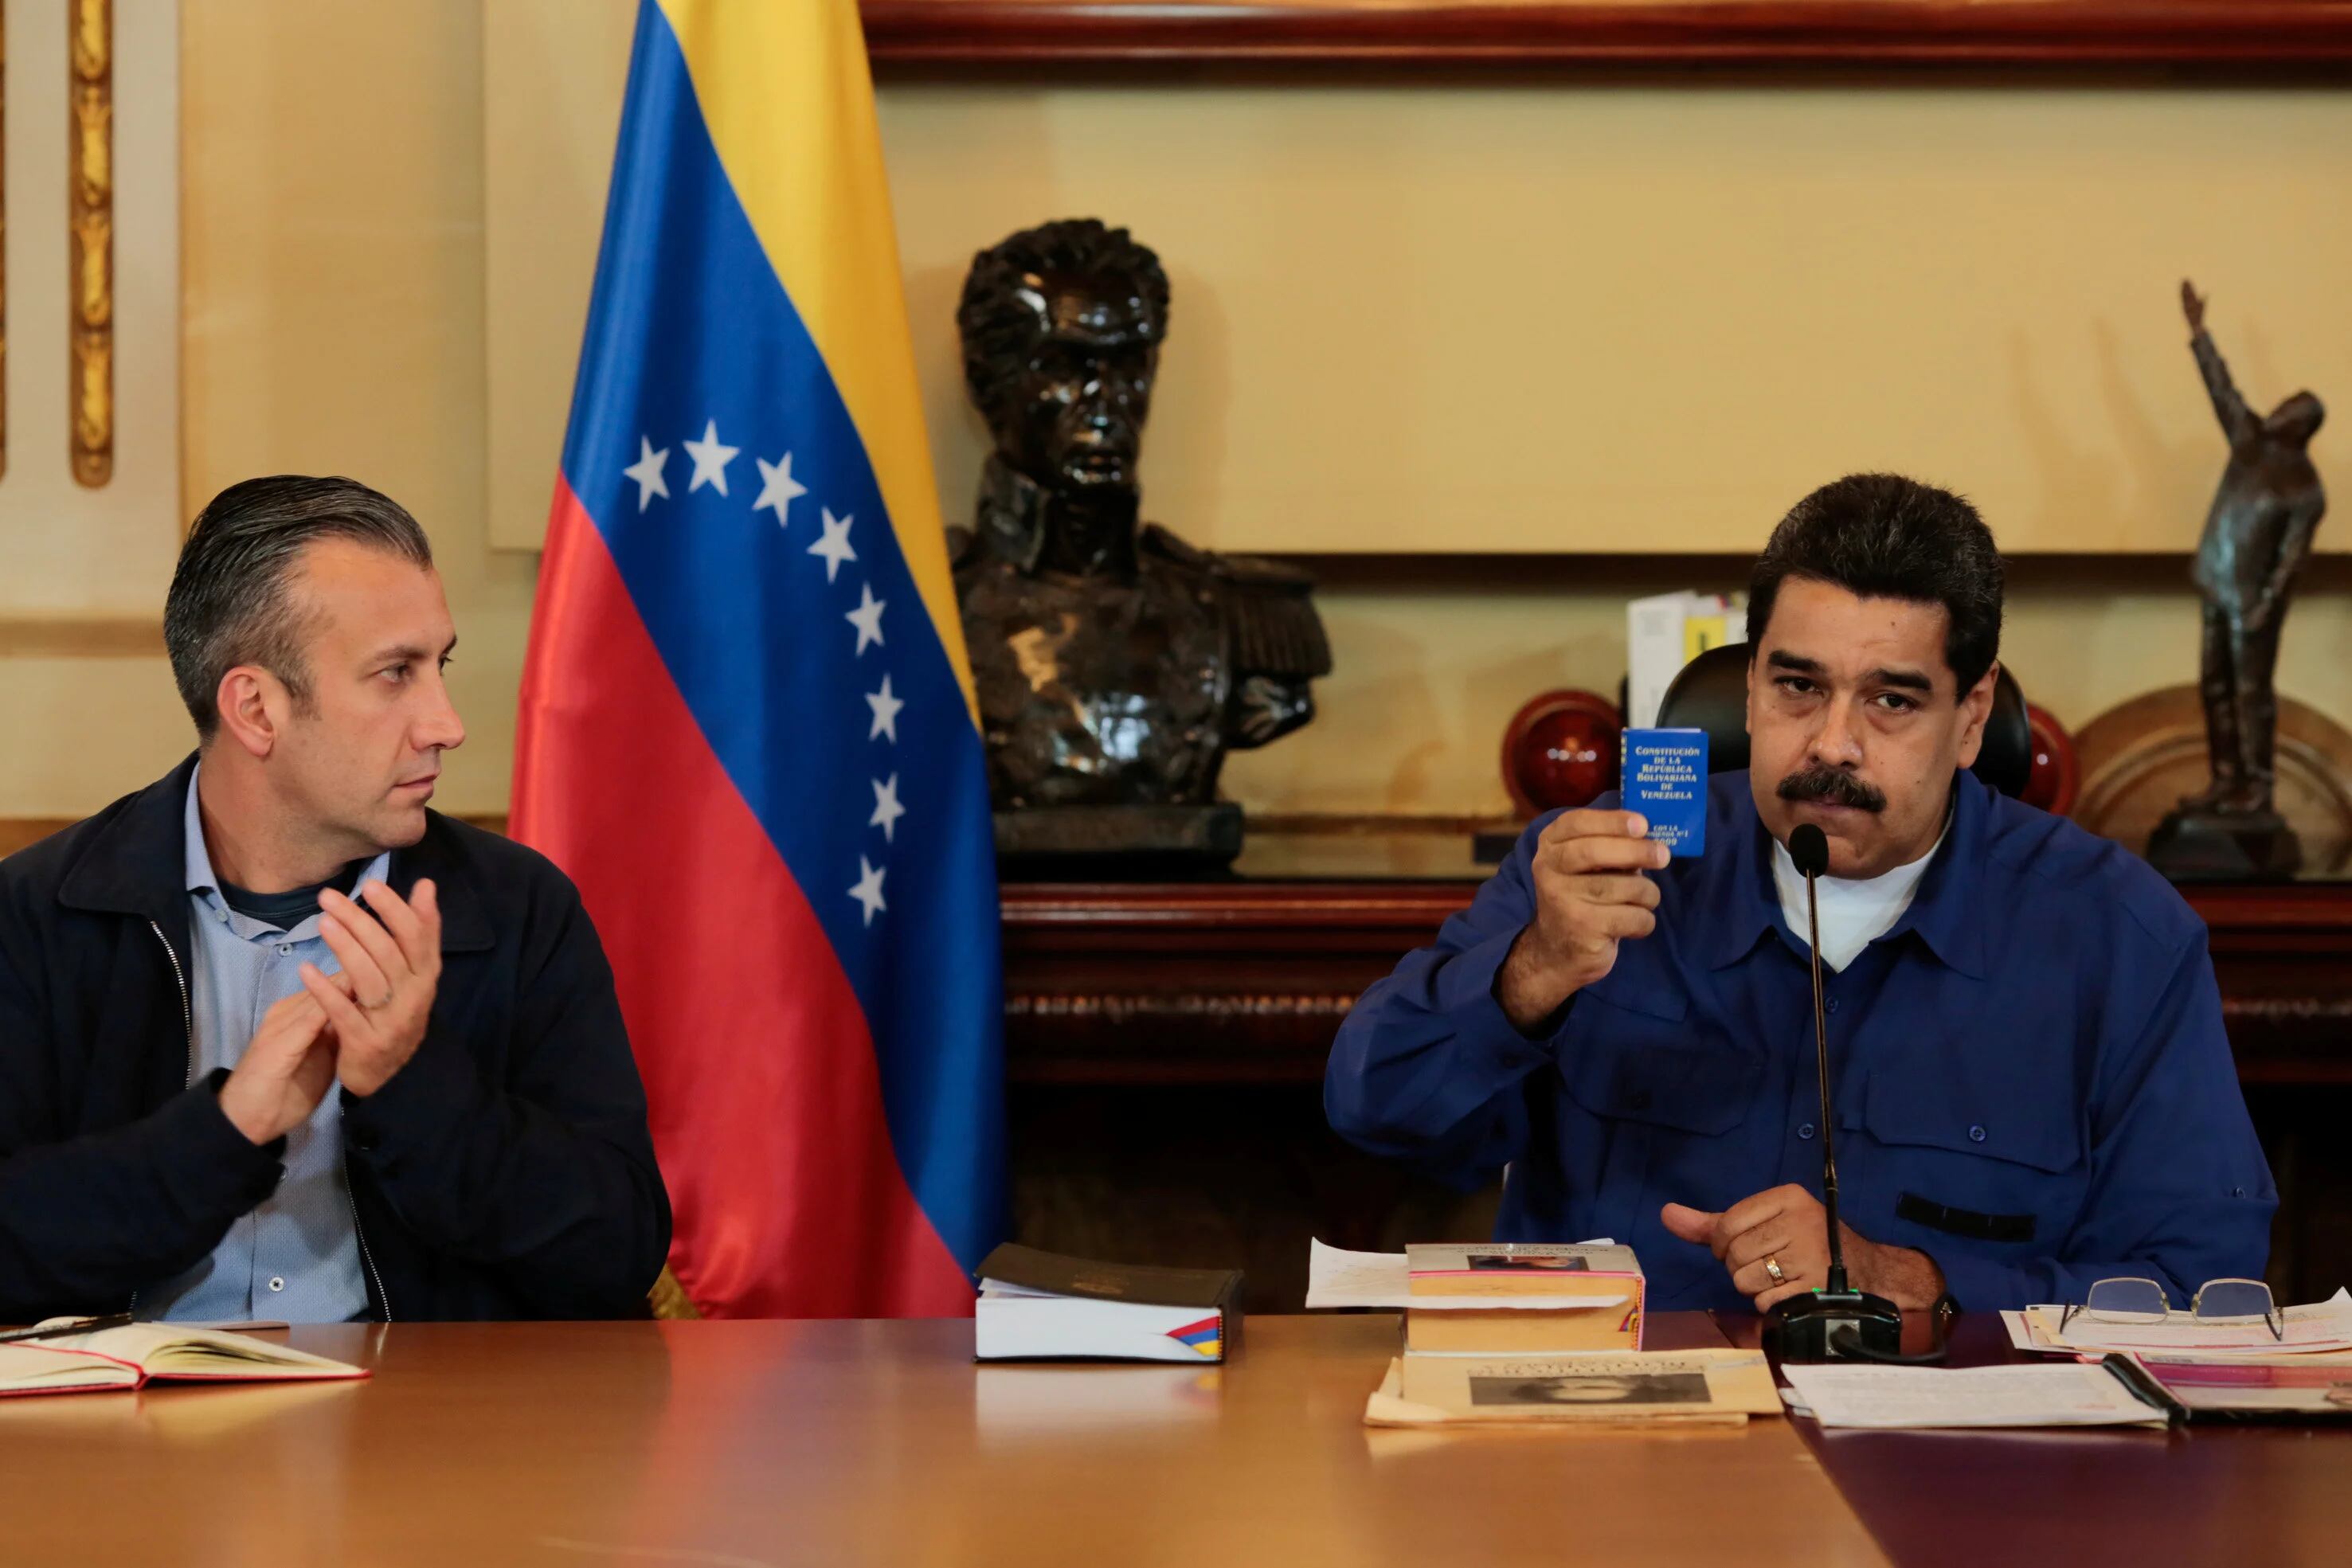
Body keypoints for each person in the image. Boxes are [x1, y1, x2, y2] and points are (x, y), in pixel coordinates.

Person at [1327, 474, 2275, 1314]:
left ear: (1971, 715)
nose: (1831, 742)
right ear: (1747, 691)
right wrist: (1529, 973)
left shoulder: (2117, 934)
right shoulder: (1605, 863)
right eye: (1797, 686)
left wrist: (1919, 1286)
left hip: (1951, 1481)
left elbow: (2205, 1287)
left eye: (1890, 701)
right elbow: (1378, 1114)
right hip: (1617, 1455)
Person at [0, 476, 670, 1321]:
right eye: (396, 674)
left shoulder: (518, 910)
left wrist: (412, 1084)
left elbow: (615, 1253)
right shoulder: (36, 917)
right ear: (255, 708)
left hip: (425, 1435)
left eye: (440, 665)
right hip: (126, 1439)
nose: (446, 723)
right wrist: (224, 1134)